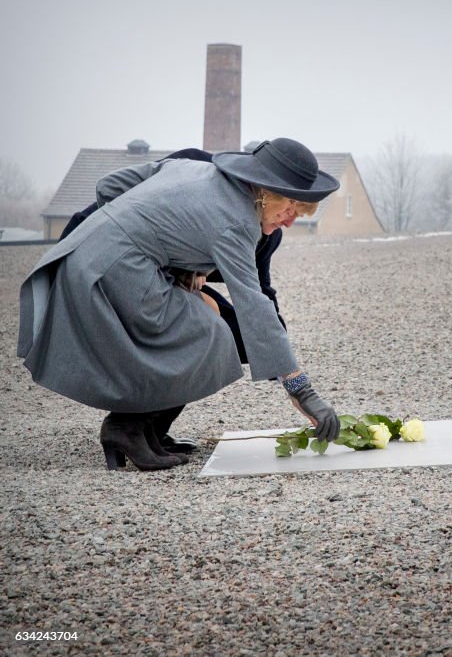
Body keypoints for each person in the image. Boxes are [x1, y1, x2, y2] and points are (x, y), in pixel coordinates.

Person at [17, 138, 342, 470]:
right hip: (119, 273)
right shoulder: (237, 223)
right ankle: (125, 428)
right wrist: (302, 392)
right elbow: (253, 305)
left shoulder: (191, 168)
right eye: (290, 209)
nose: (290, 221)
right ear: (265, 192)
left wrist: (149, 240)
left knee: (201, 322)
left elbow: (108, 187)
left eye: (297, 215)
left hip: (84, 258)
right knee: (212, 335)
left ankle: (145, 432)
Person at [58, 147, 288, 454]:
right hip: (112, 266)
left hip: (162, 275)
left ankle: (152, 427)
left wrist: (278, 353)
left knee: (239, 338)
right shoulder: (197, 169)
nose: (288, 218)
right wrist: (174, 265)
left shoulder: (269, 233)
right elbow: (113, 196)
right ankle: (127, 425)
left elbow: (258, 292)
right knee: (201, 328)